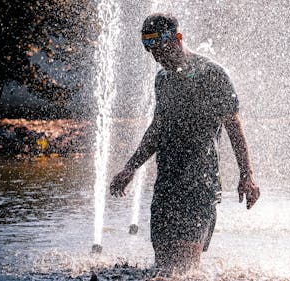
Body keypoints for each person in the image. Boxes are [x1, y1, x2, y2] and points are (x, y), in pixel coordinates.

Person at [109, 13, 259, 273]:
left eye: (159, 49)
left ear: (177, 39)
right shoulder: (163, 80)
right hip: (167, 184)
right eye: (150, 50)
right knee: (163, 268)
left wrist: (247, 175)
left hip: (199, 184)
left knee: (183, 270)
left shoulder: (212, 74)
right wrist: (130, 168)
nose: (155, 57)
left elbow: (234, 127)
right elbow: (157, 129)